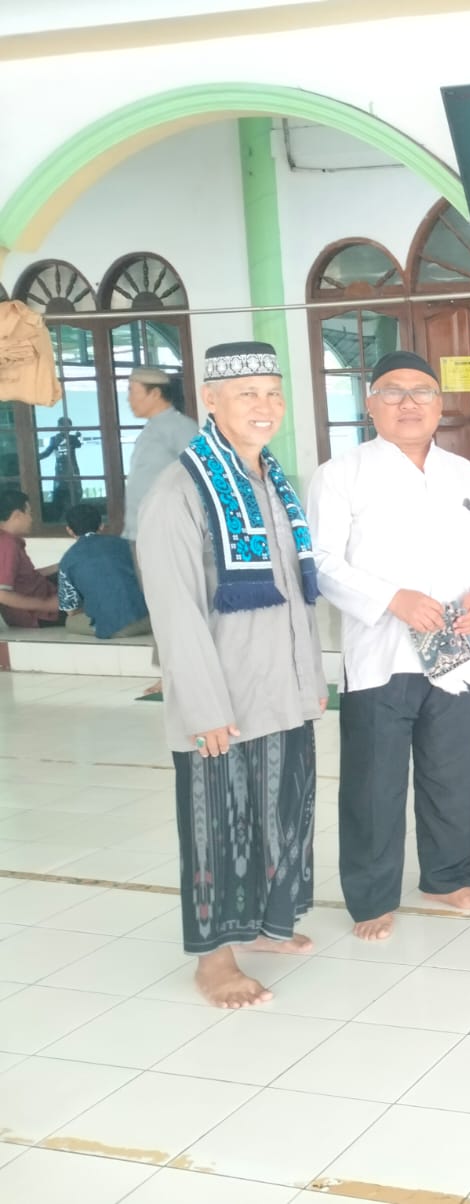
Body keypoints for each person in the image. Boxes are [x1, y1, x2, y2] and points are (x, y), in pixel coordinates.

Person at [138, 340, 325, 1008]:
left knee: (279, 814)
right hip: (223, 699)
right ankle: (214, 960)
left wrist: (310, 679)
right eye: (247, 394)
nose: (264, 406)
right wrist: (203, 707)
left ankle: (264, 926)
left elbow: (296, 593)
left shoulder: (273, 482)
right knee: (218, 826)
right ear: (211, 401)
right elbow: (175, 610)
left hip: (282, 690)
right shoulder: (180, 491)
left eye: (273, 393)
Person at [308, 350, 470, 942]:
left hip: (454, 650)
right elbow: (322, 562)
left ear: (439, 404)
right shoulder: (341, 474)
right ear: (370, 404)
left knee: (454, 771)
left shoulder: (467, 476)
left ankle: (447, 877)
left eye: (421, 392)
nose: (408, 403)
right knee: (375, 781)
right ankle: (372, 897)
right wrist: (392, 599)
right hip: (381, 653)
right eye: (393, 392)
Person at [123, 366, 198, 544]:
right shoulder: (151, 428)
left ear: (155, 393)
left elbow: (199, 477)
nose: (128, 399)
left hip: (167, 534)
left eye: (133, 392)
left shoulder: (181, 427)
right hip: (142, 532)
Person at [56, 502, 149, 638]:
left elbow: (71, 610)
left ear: (69, 530)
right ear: (101, 526)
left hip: (113, 628)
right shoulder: (126, 545)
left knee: (70, 622)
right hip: (147, 621)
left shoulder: (68, 560)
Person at [0, 489, 60, 627]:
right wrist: (47, 605)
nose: (31, 519)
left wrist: (59, 566)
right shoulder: (6, 545)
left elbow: (24, 578)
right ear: (17, 515)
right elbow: (2, 594)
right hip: (40, 614)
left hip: (43, 594)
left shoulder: (10, 541)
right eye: (29, 513)